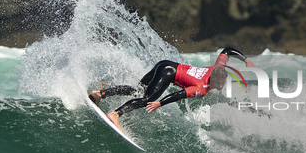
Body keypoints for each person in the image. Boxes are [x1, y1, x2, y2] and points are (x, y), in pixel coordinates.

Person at [89, 47, 256, 130]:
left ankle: (100, 93)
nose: (222, 85)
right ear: (214, 80)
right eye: (220, 83)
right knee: (147, 99)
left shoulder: (218, 66)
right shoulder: (202, 88)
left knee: (137, 90)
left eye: (224, 82)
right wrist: (159, 104)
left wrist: (246, 59)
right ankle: (115, 114)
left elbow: (227, 50)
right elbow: (180, 94)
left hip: (165, 64)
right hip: (168, 73)